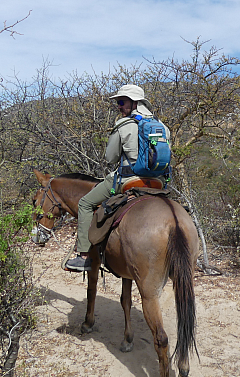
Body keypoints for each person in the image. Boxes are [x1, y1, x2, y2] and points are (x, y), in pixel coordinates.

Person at [64, 84, 170, 271]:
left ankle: (84, 255)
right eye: (118, 103)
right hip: (158, 182)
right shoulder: (162, 126)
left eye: (121, 102)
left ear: (134, 102)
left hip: (129, 180)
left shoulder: (123, 124)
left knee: (85, 203)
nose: (119, 106)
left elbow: (110, 158)